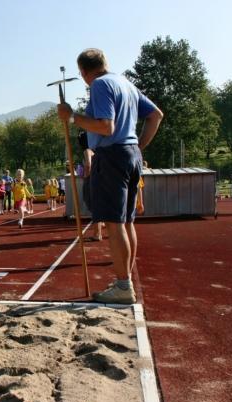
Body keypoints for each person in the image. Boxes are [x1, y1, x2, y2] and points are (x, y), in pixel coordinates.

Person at [58, 48, 163, 304]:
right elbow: (156, 115)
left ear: (83, 72)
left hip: (112, 155)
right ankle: (124, 279)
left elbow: (106, 125)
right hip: (130, 155)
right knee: (127, 222)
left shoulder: (101, 85)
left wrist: (72, 117)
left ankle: (123, 285)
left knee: (115, 224)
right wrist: (138, 147)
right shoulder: (125, 83)